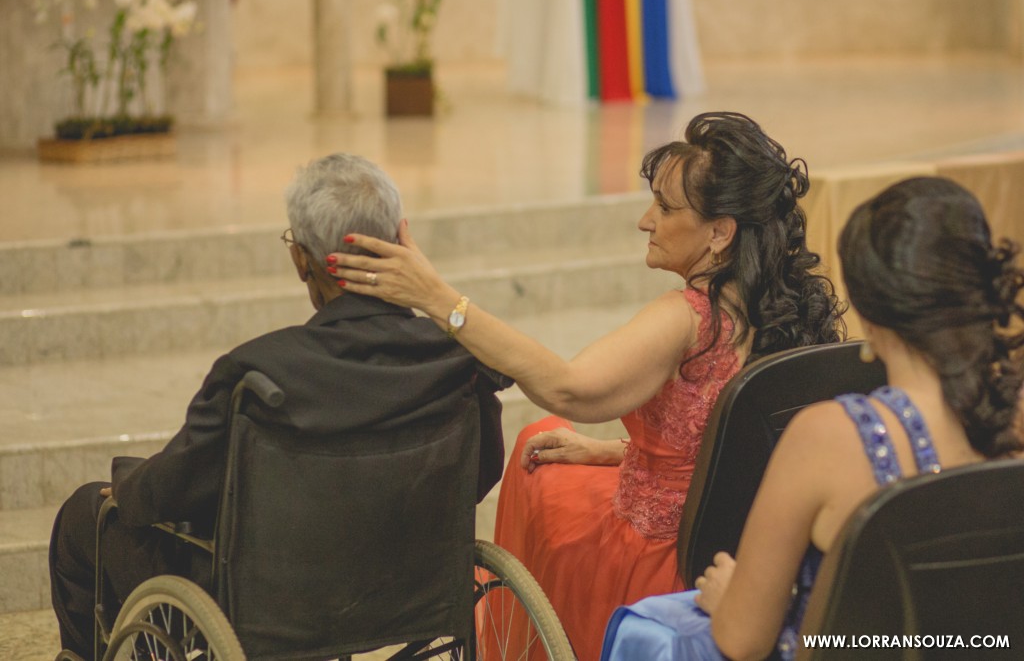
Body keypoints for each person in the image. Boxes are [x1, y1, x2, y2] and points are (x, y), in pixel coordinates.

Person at [325, 112, 845, 660]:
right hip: (741, 544)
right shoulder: (785, 313)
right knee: (550, 443)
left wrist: (439, 300)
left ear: (720, 232)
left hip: (662, 562)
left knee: (535, 449)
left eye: (665, 209)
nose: (646, 221)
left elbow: (569, 389)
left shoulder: (687, 317)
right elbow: (724, 446)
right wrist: (611, 452)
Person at [48, 154, 510, 659]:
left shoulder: (258, 372)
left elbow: (179, 491)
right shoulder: (457, 358)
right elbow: (481, 472)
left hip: (269, 597)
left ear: (303, 261)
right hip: (409, 579)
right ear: (401, 243)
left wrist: (130, 491)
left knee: (85, 517)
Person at [599, 176, 1024, 661]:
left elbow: (744, 639)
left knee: (652, 632)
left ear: (870, 306)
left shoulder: (830, 438)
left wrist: (726, 597)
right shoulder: (1012, 411)